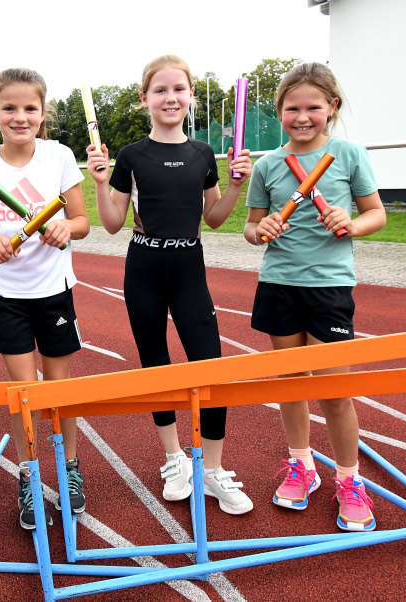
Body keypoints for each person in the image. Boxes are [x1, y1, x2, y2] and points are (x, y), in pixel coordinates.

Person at [86, 55, 254, 515]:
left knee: (210, 366)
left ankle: (214, 470)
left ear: (190, 96)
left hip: (188, 266)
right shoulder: (131, 156)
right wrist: (101, 183)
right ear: (145, 99)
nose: (170, 97)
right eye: (160, 90)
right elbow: (113, 223)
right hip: (142, 266)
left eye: (178, 89)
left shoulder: (202, 154)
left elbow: (214, 219)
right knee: (156, 365)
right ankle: (174, 459)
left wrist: (238, 187)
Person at [244, 63, 386, 531]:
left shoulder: (346, 154)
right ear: (279, 112)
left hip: (328, 288)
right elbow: (251, 229)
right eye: (292, 109)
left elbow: (377, 215)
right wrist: (259, 229)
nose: (302, 117)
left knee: (333, 392)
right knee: (291, 385)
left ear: (332, 108)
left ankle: (349, 480)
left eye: (313, 108)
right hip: (279, 285)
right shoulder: (268, 165)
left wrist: (351, 223)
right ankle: (302, 465)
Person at [0, 67, 90, 529]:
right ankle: (30, 475)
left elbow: (81, 222)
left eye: (29, 108)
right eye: (9, 108)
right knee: (25, 393)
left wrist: (62, 227)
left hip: (54, 291)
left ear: (42, 113)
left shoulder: (58, 156)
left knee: (59, 390)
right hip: (8, 295)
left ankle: (70, 471)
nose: (20, 117)